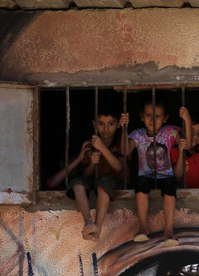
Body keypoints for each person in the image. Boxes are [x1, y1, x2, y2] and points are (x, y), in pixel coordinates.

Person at [47, 104, 124, 241]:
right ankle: (88, 221)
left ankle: (97, 226)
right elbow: (86, 175)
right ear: (94, 124)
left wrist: (101, 148)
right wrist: (92, 164)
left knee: (103, 185)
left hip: (111, 182)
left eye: (111, 124)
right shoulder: (89, 145)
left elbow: (118, 168)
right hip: (93, 181)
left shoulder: (120, 144)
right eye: (101, 124)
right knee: (77, 184)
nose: (106, 129)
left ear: (118, 125)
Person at [120, 101, 190, 246]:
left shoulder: (170, 131)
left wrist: (187, 120)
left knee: (170, 189)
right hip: (146, 176)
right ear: (141, 116)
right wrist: (123, 128)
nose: (152, 119)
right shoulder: (138, 134)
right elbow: (125, 151)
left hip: (166, 176)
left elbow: (187, 145)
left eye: (157, 116)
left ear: (165, 118)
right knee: (140, 185)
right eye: (148, 115)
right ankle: (143, 227)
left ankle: (168, 230)